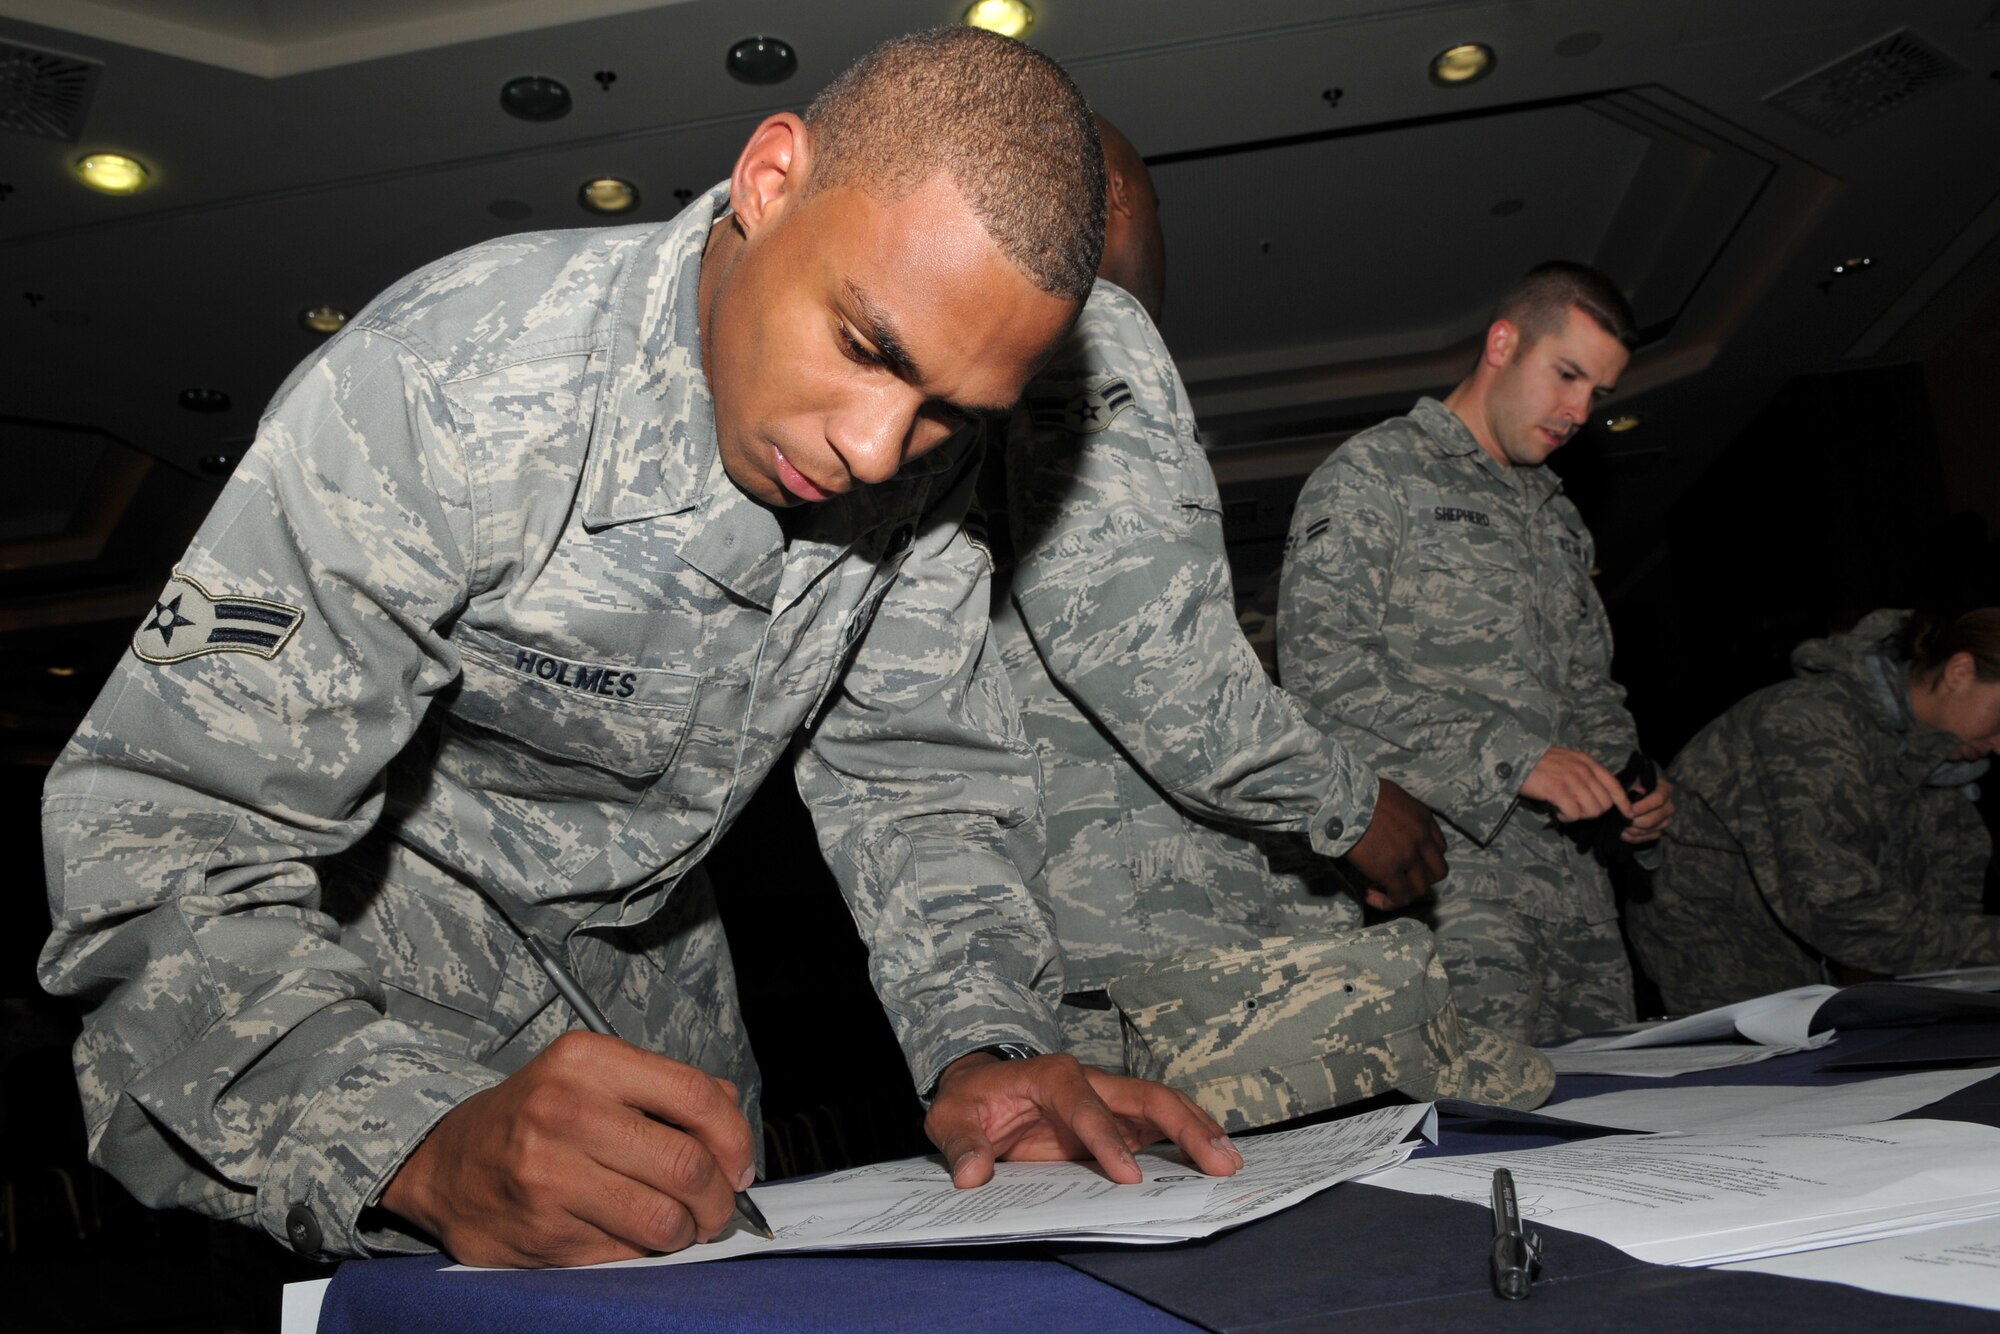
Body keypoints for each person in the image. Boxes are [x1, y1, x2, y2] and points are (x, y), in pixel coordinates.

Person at [38, 28, 1240, 1272]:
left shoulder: (916, 463)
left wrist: (982, 1040)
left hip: (666, 1030)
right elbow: (160, 844)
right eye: (867, 349)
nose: (880, 449)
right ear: (769, 181)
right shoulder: (439, 392)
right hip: (361, 1020)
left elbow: (917, 775)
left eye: (946, 410)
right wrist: (410, 1142)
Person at [990, 121, 1448, 1067]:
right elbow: (1146, 654)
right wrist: (1352, 803)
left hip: (1062, 936)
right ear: (1114, 194)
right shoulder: (1092, 326)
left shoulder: (990, 360)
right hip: (1165, 940)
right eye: (1157, 205)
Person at [1277, 262, 1675, 1045]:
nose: (1576, 411)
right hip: (1453, 889)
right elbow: (1321, 677)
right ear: (1503, 342)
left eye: (1597, 394)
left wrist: (1632, 786)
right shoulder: (1374, 475)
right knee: (1475, 1138)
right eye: (1566, 375)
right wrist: (1513, 758)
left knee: (1617, 1124)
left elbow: (1589, 689)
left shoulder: (1561, 521)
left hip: (1581, 896)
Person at [1626, 608, 2000, 1013]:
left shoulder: (1945, 769)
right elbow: (1832, 904)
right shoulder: (1811, 724)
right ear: (1959, 671)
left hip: (1809, 960)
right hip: (1719, 946)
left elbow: (1944, 922)